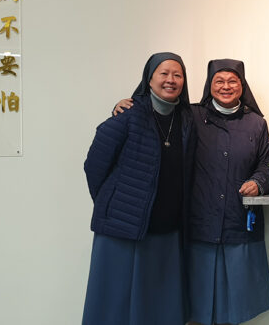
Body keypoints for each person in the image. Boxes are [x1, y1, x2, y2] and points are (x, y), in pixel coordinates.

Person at [113, 59, 269, 325]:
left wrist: (258, 181)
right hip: (198, 223)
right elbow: (157, 114)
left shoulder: (256, 123)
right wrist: (126, 107)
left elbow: (265, 164)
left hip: (238, 223)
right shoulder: (191, 115)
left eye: (232, 81)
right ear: (209, 85)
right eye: (219, 81)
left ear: (242, 86)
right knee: (192, 304)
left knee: (236, 305)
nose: (225, 86)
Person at [82, 52, 195, 325]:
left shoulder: (187, 119)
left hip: (167, 229)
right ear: (149, 78)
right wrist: (114, 203)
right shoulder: (128, 114)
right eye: (164, 73)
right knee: (116, 304)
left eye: (177, 75)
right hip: (123, 230)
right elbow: (94, 166)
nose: (170, 80)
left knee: (158, 304)